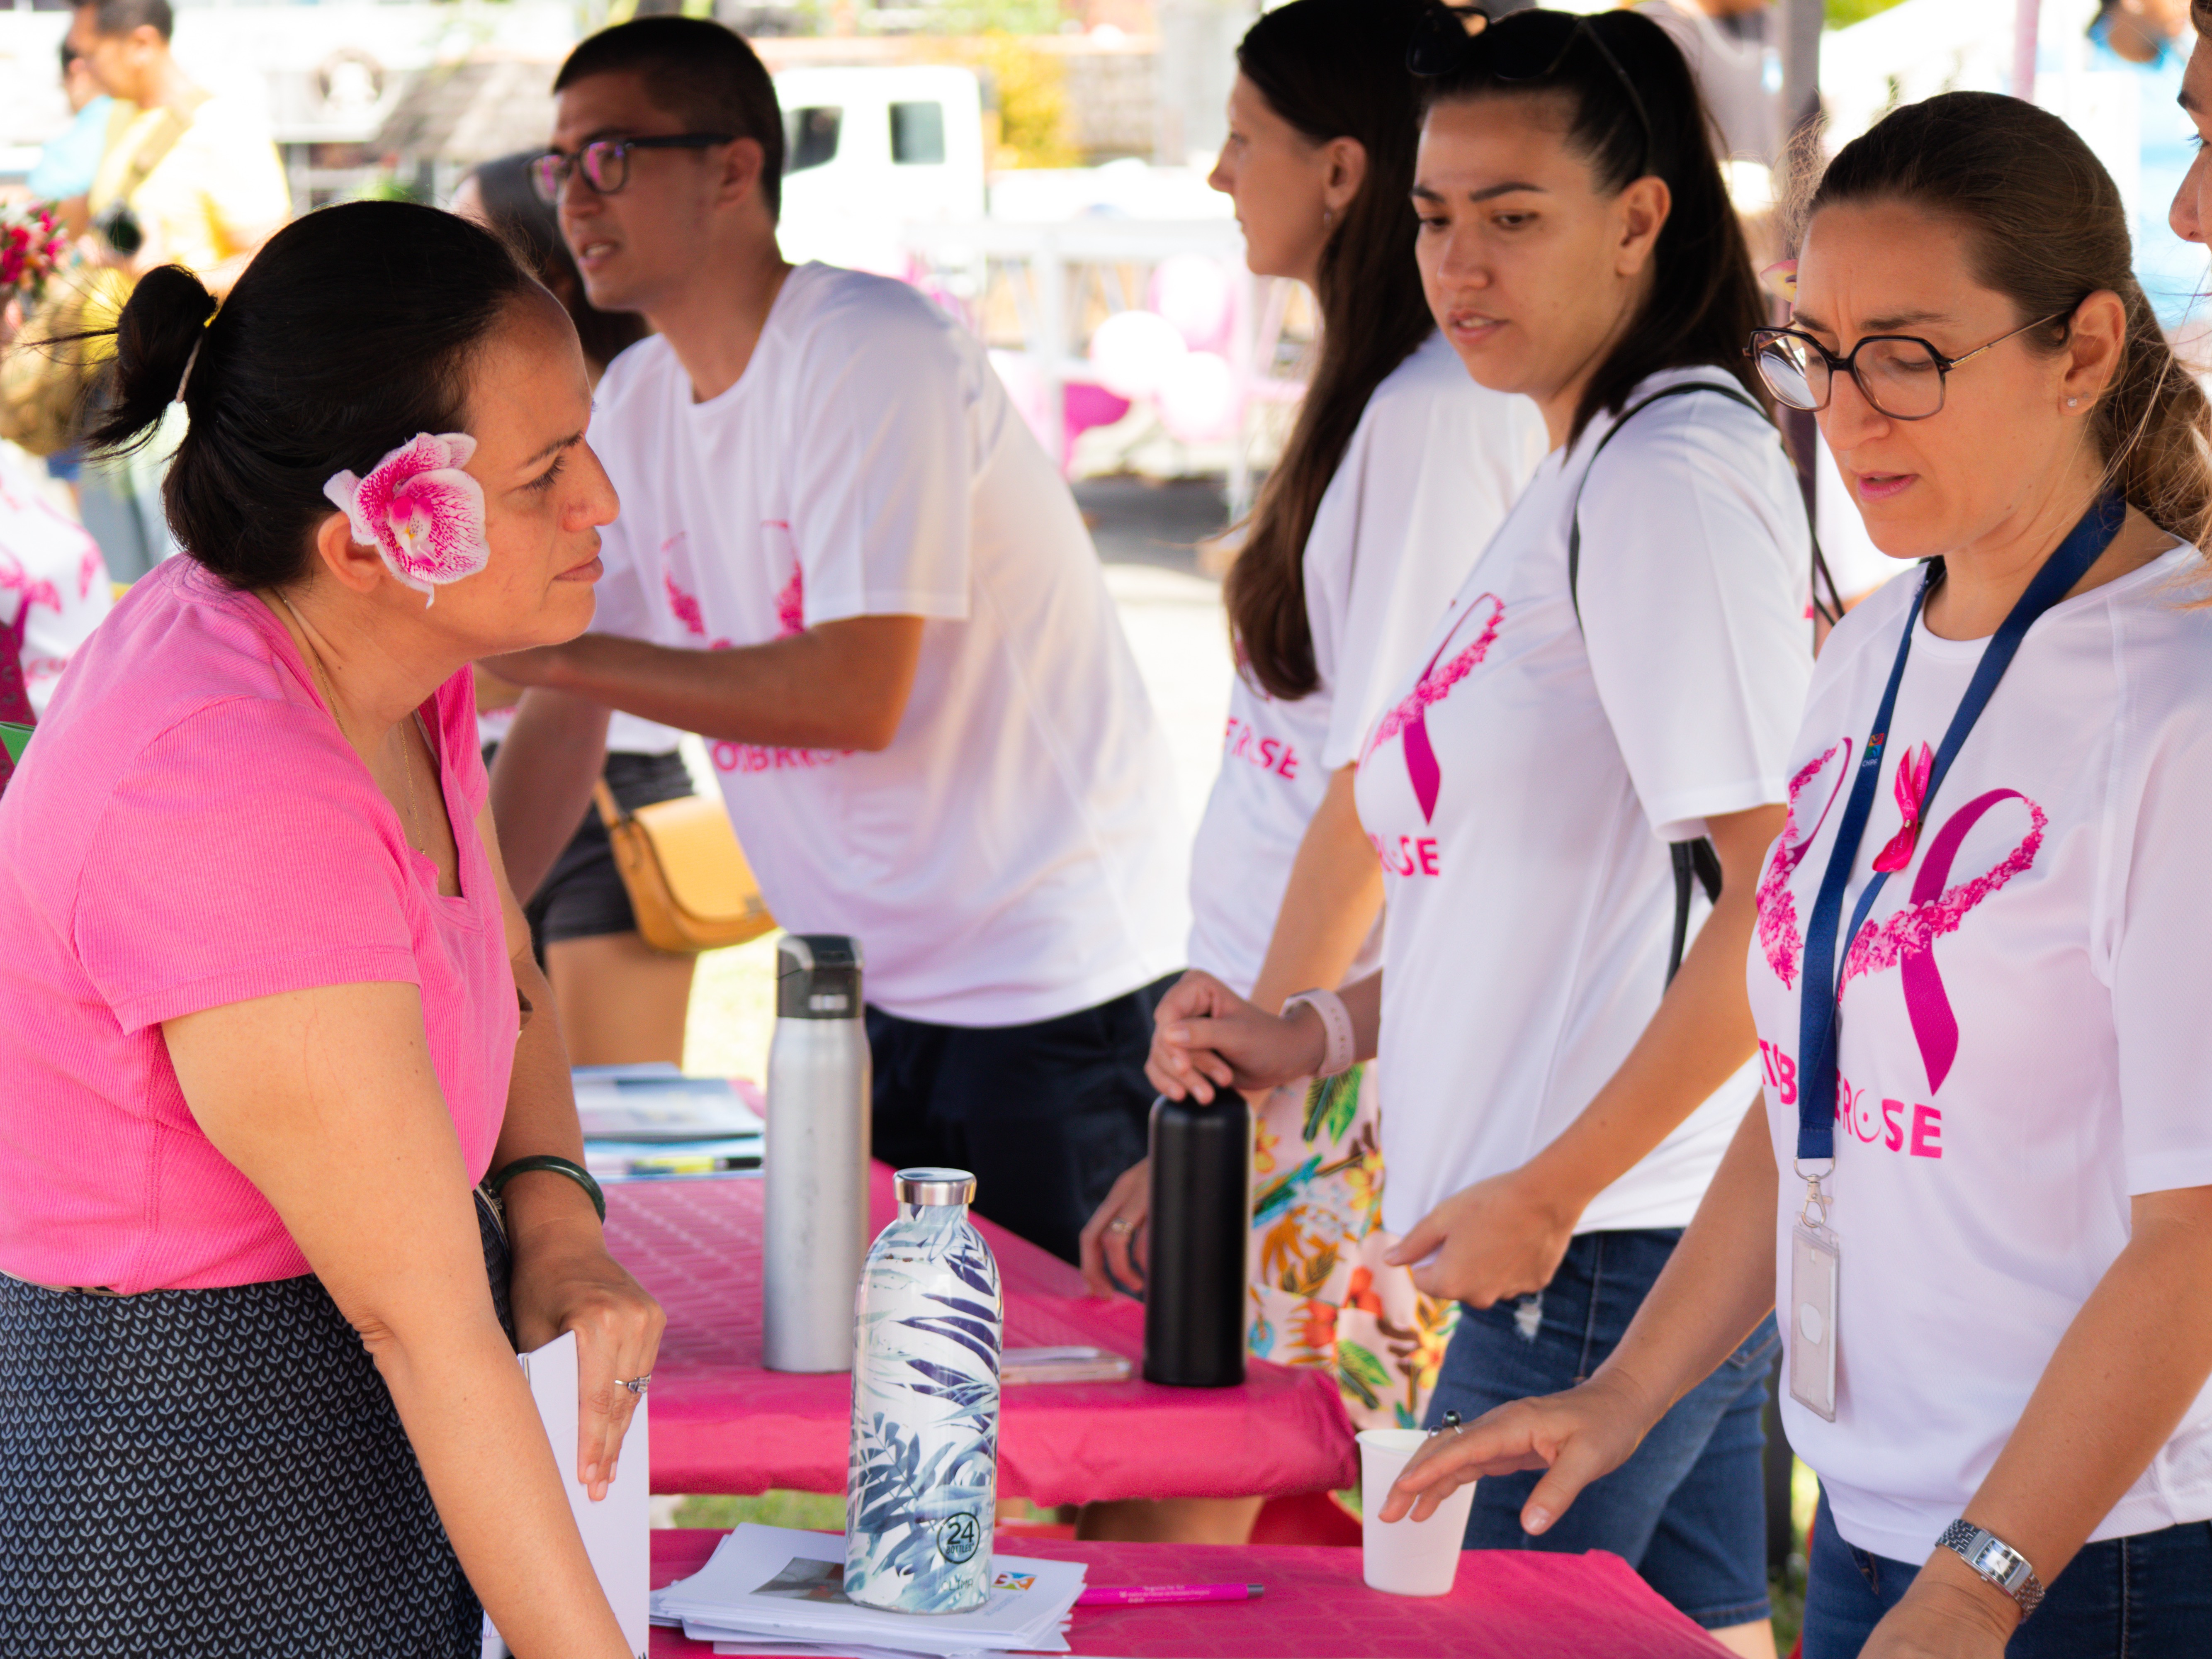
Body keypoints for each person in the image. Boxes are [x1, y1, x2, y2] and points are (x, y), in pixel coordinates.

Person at [1386, 90, 2212, 1659]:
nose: (1844, 412)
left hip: (2084, 1562)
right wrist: (1619, 1392)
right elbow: (1801, 1090)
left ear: (2083, 349)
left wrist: (1978, 1580)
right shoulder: (1872, 650)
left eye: (1906, 354)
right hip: (1876, 1532)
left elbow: (2193, 1233)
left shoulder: (2170, 700)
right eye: (1814, 352)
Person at [1146, 11, 1813, 1652]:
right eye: (1439, 216)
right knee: (1688, 1630)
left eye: (1513, 215)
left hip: (1594, 1249)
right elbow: (1523, 906)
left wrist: (1550, 1185)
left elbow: (1778, 902)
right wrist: (1308, 1025)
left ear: (1640, 219)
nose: (1461, 262)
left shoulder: (1663, 475)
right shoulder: (1574, 455)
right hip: (1591, 1237)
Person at [0, 202, 661, 1657]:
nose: (601, 499)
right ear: (372, 535)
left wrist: (553, 1213)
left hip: (355, 1456)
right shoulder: (227, 787)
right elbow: (423, 1328)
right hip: (182, 1506)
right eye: (550, 469)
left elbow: (493, 945)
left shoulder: (383, 647)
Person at [486, 16, 1188, 1266]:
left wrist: (545, 653)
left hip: (1047, 988)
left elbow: (853, 692)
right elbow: (569, 710)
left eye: (608, 156)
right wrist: (468, 917)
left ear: (732, 168)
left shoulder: (867, 347)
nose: (573, 199)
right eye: (557, 166)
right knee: (900, 1397)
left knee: (1086, 1414)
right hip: (857, 996)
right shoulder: (641, 397)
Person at [1075, 0, 1539, 1545]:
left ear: (1340, 169)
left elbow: (1373, 787)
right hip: (1308, 1036)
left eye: (1240, 137)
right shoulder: (1387, 402)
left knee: (1240, 1532)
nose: (1214, 174)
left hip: (1336, 1062)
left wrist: (1241, 1075)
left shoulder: (1420, 415)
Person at [454, 151, 698, 1067]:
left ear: (551, 273)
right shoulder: (486, 429)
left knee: (616, 1116)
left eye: (472, 240)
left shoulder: (638, 420)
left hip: (614, 803)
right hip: (489, 787)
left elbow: (549, 672)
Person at [68, 0, 292, 582]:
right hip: (122, 377)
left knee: (188, 575)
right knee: (125, 580)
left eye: (90, 54)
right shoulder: (122, 119)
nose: (83, 68)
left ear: (142, 44)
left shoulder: (223, 130)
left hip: (185, 391)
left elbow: (271, 263)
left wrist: (166, 278)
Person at [2087, 0, 2202, 334]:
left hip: (2195, 309)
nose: (2188, 5)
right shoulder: (2057, 71)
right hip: (2106, 315)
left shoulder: (2189, 70)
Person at [27, 41, 113, 233]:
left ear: (77, 71)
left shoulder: (72, 146)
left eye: (63, 84)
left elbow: (38, 206)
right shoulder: (139, 117)